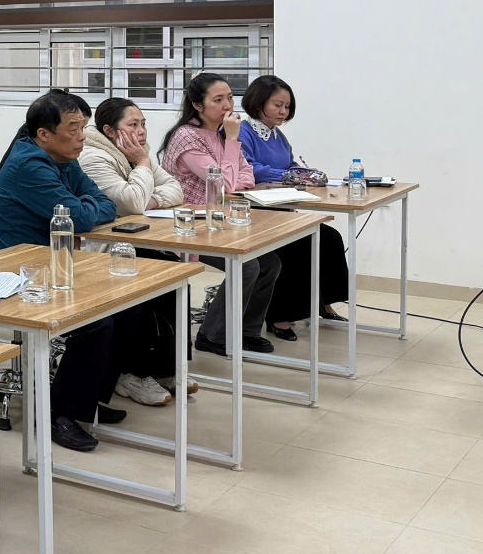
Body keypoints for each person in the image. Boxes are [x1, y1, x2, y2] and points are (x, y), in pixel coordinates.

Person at [0, 90, 133, 451]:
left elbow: (104, 203)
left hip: (50, 266)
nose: (82, 136)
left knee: (128, 303)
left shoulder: (64, 159)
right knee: (96, 323)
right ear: (43, 134)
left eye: (84, 127)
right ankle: (58, 415)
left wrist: (86, 205)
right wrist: (86, 206)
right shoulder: (29, 164)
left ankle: (88, 396)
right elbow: (78, 217)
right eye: (74, 128)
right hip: (10, 274)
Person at [79, 98, 194, 402]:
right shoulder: (93, 157)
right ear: (109, 130)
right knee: (143, 290)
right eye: (133, 125)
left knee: (173, 275)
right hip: (99, 250)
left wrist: (148, 199)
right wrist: (143, 169)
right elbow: (129, 202)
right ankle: (131, 373)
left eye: (143, 124)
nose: (141, 131)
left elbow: (175, 189)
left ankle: (165, 367)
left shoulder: (133, 152)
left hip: (130, 241)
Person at [159, 72, 280, 356]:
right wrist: (233, 142)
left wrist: (231, 154)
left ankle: (247, 331)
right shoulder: (186, 137)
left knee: (270, 262)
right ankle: (212, 336)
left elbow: (245, 175)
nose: (227, 106)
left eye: (229, 98)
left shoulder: (221, 134)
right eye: (218, 100)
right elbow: (225, 183)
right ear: (198, 105)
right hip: (188, 225)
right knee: (247, 265)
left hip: (220, 221)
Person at [239, 75, 349, 338]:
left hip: (281, 207)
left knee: (329, 238)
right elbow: (248, 168)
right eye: (277, 104)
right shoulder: (244, 131)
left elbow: (288, 164)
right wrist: (287, 176)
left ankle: (322, 303)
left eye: (287, 106)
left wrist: (304, 173)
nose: (283, 111)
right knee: (296, 249)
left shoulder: (278, 135)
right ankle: (280, 317)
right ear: (258, 103)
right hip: (257, 212)